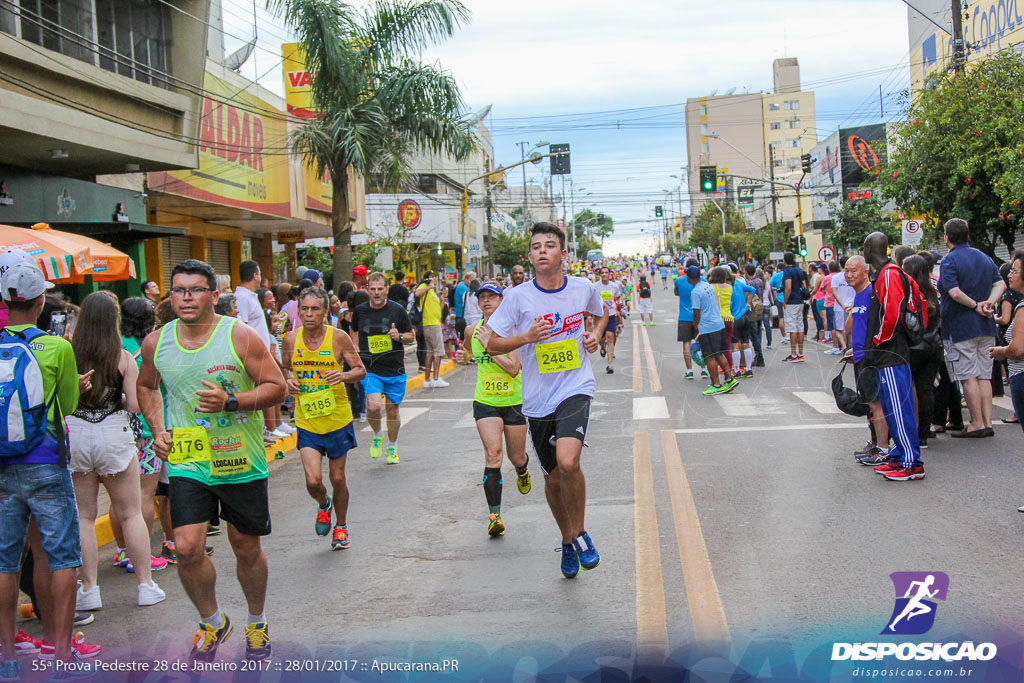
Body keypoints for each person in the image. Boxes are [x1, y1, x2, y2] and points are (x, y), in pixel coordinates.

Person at [137, 259, 288, 662]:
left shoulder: (239, 337)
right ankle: (213, 621)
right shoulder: (157, 342)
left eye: (195, 290)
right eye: (179, 290)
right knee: (186, 548)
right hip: (190, 458)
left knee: (245, 547)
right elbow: (146, 386)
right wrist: (157, 431)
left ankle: (256, 622)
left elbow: (277, 387)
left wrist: (232, 401)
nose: (186, 297)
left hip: (240, 457)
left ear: (213, 295)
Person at [485, 222, 607, 579]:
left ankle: (581, 533)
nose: (542, 251)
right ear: (530, 256)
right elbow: (491, 344)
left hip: (576, 386)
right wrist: (526, 337)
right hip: (538, 400)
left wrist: (595, 336)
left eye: (549, 245)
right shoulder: (518, 297)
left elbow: (602, 314)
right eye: (536, 246)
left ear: (563, 255)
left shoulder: (583, 288)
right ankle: (567, 540)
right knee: (553, 480)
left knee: (568, 463)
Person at [0, 259, 99, 679]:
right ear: (41, 301)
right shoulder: (57, 347)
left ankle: (6, 652)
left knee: (4, 562)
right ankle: (60, 652)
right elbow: (69, 406)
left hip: (3, 467)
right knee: (61, 559)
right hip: (46, 464)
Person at [68, 292, 167, 612]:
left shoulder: (68, 352)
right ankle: (145, 585)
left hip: (78, 436)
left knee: (84, 516)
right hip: (115, 434)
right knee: (130, 513)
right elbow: (137, 405)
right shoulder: (123, 356)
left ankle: (89, 589)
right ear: (114, 320)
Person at [282, 287, 365, 550]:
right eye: (304, 309)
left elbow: (360, 370)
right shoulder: (291, 340)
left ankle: (341, 526)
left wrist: (342, 376)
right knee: (313, 480)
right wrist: (288, 378)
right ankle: (323, 504)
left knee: (338, 478)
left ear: (326, 312)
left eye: (315, 309)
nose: (308, 314)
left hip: (337, 419)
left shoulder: (339, 338)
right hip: (307, 420)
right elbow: (284, 367)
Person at [456, 282, 532, 537]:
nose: (487, 301)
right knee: (492, 453)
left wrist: (490, 345)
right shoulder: (471, 330)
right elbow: (469, 353)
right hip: (486, 401)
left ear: (502, 301)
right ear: (478, 303)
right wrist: (463, 357)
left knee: (516, 457)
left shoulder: (514, 331)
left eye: (492, 297)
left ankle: (522, 470)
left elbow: (513, 368)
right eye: (482, 297)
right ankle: (494, 516)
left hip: (514, 401)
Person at [861, 232, 927, 481]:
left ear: (869, 249)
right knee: (891, 408)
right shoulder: (885, 273)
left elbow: (892, 312)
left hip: (890, 353)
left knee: (899, 409)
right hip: (887, 355)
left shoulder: (888, 274)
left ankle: (912, 463)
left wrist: (878, 340)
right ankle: (900, 456)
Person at [938, 218, 1005, 438]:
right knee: (984, 375)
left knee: (968, 376)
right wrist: (989, 303)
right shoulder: (983, 257)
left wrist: (976, 306)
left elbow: (954, 292)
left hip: (960, 325)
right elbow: (1000, 283)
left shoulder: (950, 261)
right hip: (986, 324)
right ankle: (987, 422)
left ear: (947, 238)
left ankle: (976, 423)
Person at [350, 272, 415, 465]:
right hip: (370, 368)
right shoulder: (360, 311)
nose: (377, 293)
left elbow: (411, 335)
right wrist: (355, 347)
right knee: (373, 406)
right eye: (373, 289)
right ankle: (378, 435)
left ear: (386, 289)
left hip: (394, 368)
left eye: (380, 289)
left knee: (393, 410)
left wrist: (400, 337)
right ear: (367, 289)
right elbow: (353, 329)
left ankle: (392, 446)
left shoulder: (397, 310)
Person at [236, 261, 290, 443]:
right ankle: (266, 429)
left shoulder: (250, 296)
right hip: (252, 355)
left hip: (263, 352)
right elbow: (241, 326)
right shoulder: (242, 297)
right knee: (260, 392)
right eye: (259, 273)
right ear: (255, 275)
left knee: (270, 389)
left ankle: (272, 427)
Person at [846, 256, 892, 467]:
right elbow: (854, 327)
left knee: (876, 404)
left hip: (871, 358)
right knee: (869, 404)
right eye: (846, 271)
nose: (849, 275)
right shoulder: (858, 296)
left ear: (866, 272)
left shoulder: (872, 294)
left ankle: (883, 448)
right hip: (859, 356)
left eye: (854, 271)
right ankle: (876, 442)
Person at [986, 250, 1024, 511]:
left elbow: (1018, 349)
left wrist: (1001, 352)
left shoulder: (1022, 307)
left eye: (1014, 270)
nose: (1010, 274)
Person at [903, 255, 943, 449]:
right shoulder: (932, 292)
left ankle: (913, 430)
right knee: (925, 389)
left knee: (910, 389)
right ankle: (924, 433)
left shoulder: (909, 292)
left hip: (914, 348)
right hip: (934, 346)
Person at [689, 265, 736, 396]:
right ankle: (729, 379)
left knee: (709, 356)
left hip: (708, 327)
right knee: (720, 353)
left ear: (689, 277)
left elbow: (696, 313)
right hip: (719, 323)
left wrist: (695, 325)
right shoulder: (707, 285)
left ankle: (716, 384)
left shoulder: (695, 292)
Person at [675, 258, 707, 380]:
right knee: (702, 343)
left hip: (684, 316)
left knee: (686, 344)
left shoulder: (679, 280)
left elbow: (676, 293)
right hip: (699, 316)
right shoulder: (702, 280)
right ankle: (704, 369)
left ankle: (689, 371)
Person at [415, 274, 447, 388]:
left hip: (434, 322)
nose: (435, 279)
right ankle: (436, 378)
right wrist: (428, 287)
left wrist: (443, 297)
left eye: (435, 277)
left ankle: (428, 379)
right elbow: (416, 293)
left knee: (430, 352)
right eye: (432, 277)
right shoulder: (425, 286)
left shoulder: (433, 292)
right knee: (437, 351)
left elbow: (439, 308)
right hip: (431, 323)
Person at [728, 267, 757, 378]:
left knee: (735, 345)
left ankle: (737, 370)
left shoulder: (728, 289)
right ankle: (748, 369)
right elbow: (753, 290)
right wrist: (748, 303)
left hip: (735, 318)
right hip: (745, 316)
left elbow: (729, 305)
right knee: (746, 344)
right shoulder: (739, 285)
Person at [707, 267, 736, 379]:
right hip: (728, 319)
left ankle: (717, 372)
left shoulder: (710, 287)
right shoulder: (729, 287)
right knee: (727, 347)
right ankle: (729, 371)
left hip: (715, 319)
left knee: (714, 349)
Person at [596, 267, 622, 374]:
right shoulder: (595, 286)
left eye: (606, 273)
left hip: (611, 315)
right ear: (600, 275)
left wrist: (619, 303)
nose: (604, 275)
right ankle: (602, 346)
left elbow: (618, 297)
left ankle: (610, 365)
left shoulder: (614, 286)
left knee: (610, 337)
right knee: (601, 339)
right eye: (602, 273)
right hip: (599, 315)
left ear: (610, 274)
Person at [782, 252, 807, 362]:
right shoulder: (799, 270)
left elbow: (788, 287)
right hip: (800, 300)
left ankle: (793, 354)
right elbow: (804, 285)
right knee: (800, 326)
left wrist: (785, 301)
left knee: (792, 328)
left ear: (785, 260)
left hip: (791, 301)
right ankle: (801, 353)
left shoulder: (787, 271)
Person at [454, 271, 474, 342]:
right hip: (461, 314)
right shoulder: (462, 287)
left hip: (463, 314)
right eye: (471, 280)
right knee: (464, 337)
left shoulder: (463, 286)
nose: (471, 283)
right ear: (466, 279)